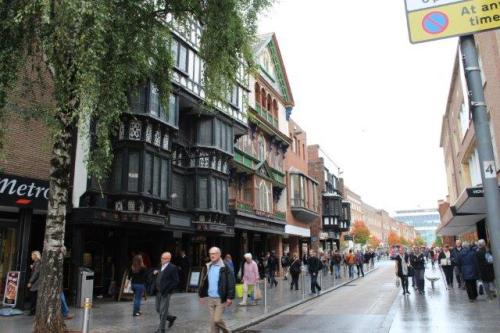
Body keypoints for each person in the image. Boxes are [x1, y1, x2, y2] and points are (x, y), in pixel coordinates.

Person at [199, 247, 235, 333]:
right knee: (213, 323)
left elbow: (231, 282)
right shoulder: (208, 266)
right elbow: (204, 282)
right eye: (210, 254)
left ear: (219, 254)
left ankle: (227, 331)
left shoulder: (225, 266)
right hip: (211, 298)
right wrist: (201, 295)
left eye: (214, 253)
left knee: (217, 320)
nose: (212, 255)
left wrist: (230, 297)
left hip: (220, 298)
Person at [153, 252, 178, 333]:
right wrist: (156, 272)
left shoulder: (172, 267)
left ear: (169, 259)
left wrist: (168, 290)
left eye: (164, 258)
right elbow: (160, 276)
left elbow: (176, 281)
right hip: (158, 291)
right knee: (158, 309)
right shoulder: (160, 266)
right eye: (161, 258)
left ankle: (161, 329)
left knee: (163, 311)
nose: (162, 259)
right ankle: (171, 318)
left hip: (165, 292)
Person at [27, 250, 41, 315]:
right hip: (36, 283)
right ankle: (33, 310)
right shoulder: (36, 263)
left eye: (32, 255)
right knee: (33, 297)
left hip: (36, 283)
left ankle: (33, 311)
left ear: (35, 256)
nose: (31, 256)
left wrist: (30, 282)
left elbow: (36, 273)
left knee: (33, 297)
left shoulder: (38, 263)